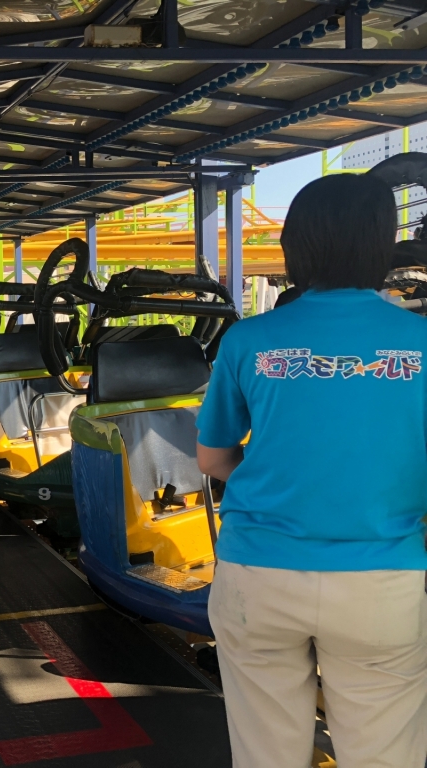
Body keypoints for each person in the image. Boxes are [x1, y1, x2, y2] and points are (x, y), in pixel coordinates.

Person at [196, 173, 427, 768]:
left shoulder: (249, 340)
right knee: (384, 754)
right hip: (382, 580)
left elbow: (214, 458)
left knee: (266, 752)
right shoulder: (420, 341)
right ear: (384, 244)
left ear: (294, 246)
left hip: (257, 574)